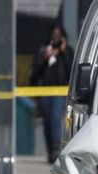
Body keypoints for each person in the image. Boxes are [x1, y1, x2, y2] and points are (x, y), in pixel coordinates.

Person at [30, 25, 74, 163]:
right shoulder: (43, 50)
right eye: (53, 35)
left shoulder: (67, 51)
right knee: (47, 121)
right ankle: (50, 151)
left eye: (58, 36)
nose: (55, 39)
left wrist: (63, 51)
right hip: (45, 91)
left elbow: (71, 68)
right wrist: (45, 57)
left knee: (56, 118)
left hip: (60, 91)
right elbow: (35, 70)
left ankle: (56, 149)